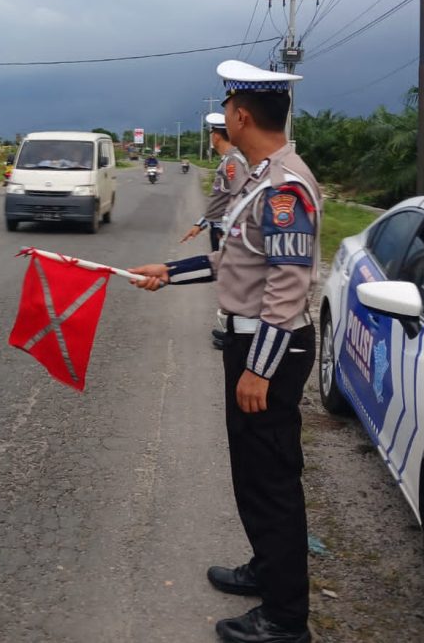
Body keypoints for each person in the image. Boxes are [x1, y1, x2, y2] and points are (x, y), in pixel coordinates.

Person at [129, 60, 321, 643]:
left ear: (240, 116)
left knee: (270, 480)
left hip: (271, 349)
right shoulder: (260, 179)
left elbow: (287, 286)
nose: (225, 120)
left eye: (227, 110)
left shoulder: (285, 188)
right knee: (252, 472)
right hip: (255, 344)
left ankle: (287, 619)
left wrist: (259, 369)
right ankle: (268, 568)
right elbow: (233, 261)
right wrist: (171, 270)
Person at [182, 112, 251, 349]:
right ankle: (229, 327)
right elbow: (220, 201)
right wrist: (199, 225)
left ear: (217, 136)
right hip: (218, 227)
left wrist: (228, 231)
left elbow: (238, 198)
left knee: (229, 280)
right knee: (225, 278)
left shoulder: (233, 162)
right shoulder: (227, 161)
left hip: (225, 231)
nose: (211, 136)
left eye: (212, 132)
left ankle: (232, 332)